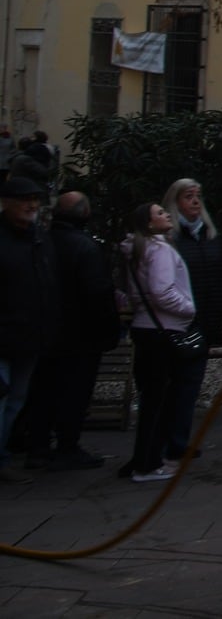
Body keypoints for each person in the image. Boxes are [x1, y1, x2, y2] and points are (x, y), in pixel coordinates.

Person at [21, 191, 121, 471]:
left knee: (43, 390)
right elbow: (97, 292)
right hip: (80, 333)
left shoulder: (41, 241)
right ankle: (67, 445)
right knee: (75, 392)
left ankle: (38, 445)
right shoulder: (85, 247)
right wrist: (110, 329)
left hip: (46, 332)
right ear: (85, 215)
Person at [115, 200, 194, 484]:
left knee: (151, 397)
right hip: (164, 328)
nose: (166, 215)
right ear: (149, 224)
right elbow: (162, 291)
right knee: (161, 399)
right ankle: (149, 463)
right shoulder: (159, 250)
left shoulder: (135, 250)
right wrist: (188, 308)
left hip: (144, 327)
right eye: (160, 213)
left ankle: (142, 458)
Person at [163, 178, 222, 462]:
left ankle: (179, 440)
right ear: (175, 201)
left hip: (205, 317)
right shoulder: (170, 237)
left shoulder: (209, 234)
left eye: (198, 196)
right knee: (173, 382)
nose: (195, 202)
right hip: (178, 320)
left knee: (191, 383)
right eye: (188, 196)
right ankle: (167, 440)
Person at [0, 173, 60, 482]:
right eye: (24, 200)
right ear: (7, 203)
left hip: (30, 335)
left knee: (16, 400)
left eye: (34, 200)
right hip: (6, 333)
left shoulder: (38, 237)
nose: (31, 205)